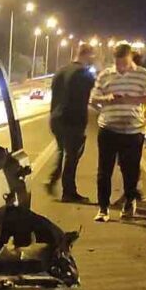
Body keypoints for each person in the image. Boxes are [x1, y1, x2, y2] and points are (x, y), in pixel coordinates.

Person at [89, 41, 146, 222]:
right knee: (104, 171)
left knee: (130, 171)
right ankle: (103, 208)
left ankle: (129, 201)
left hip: (133, 132)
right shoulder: (105, 75)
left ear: (131, 57)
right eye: (118, 63)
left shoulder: (142, 75)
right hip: (108, 129)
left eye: (124, 63)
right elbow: (93, 99)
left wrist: (131, 99)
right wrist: (107, 98)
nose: (120, 66)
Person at [46, 41, 97, 203]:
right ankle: (69, 192)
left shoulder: (60, 71)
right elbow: (93, 95)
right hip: (73, 120)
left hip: (56, 119)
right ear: (87, 55)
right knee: (72, 156)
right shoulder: (84, 73)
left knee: (63, 151)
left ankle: (53, 179)